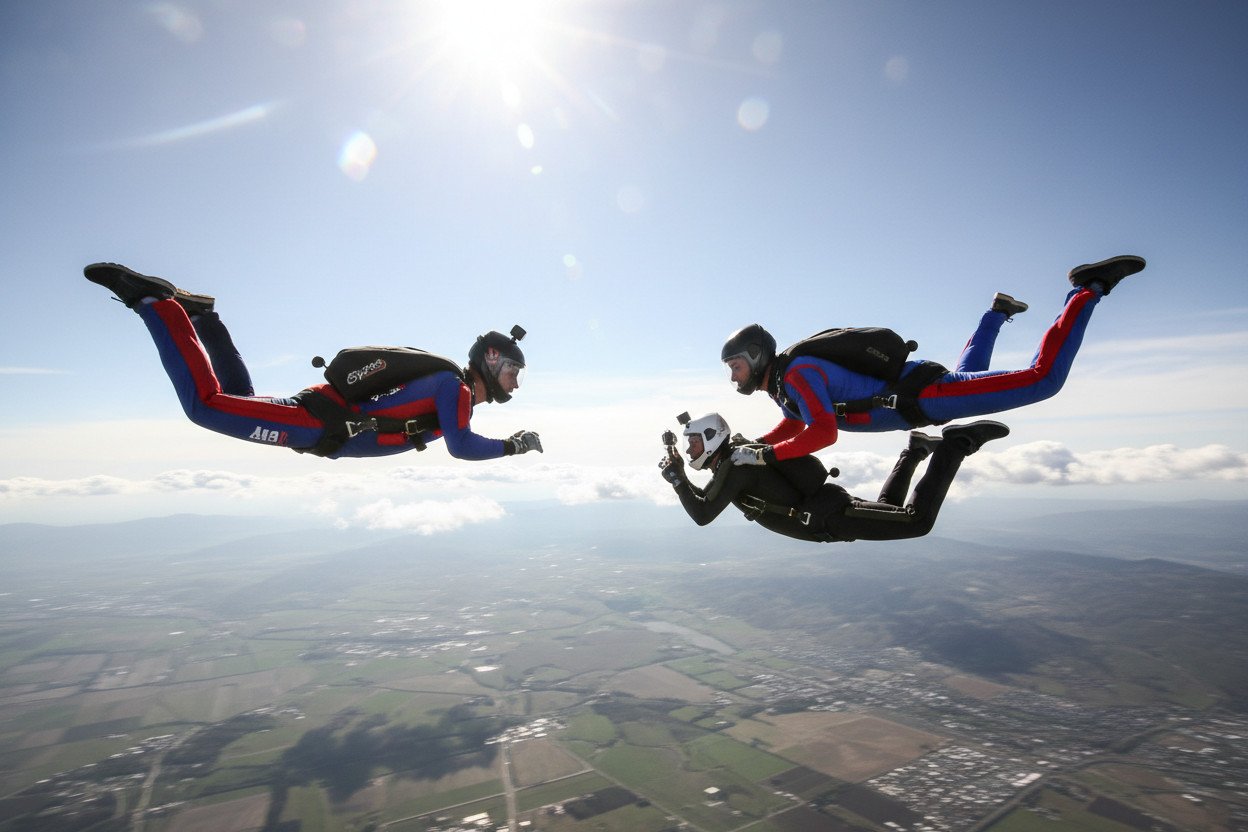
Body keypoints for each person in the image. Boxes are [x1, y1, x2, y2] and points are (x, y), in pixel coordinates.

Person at [84, 262, 543, 460]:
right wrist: (513, 446)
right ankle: (155, 301)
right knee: (205, 405)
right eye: (512, 371)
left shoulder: (451, 391)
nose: (515, 385)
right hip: (313, 423)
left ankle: (204, 319)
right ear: (491, 358)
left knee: (237, 399)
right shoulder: (455, 389)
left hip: (314, 424)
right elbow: (461, 446)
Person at [721, 254, 1144, 465]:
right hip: (922, 397)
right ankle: (996, 312)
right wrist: (757, 444)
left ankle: (1087, 288)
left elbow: (824, 433)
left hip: (926, 396)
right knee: (969, 378)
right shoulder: (785, 390)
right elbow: (797, 423)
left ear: (756, 357)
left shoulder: (797, 375)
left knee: (1043, 379)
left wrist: (763, 457)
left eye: (735, 365)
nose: (733, 375)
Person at [658, 413, 1009, 543]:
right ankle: (915, 450)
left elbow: (703, 514)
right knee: (889, 508)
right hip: (827, 509)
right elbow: (706, 498)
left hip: (830, 517)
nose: (689, 451)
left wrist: (676, 480)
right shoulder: (735, 460)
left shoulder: (734, 467)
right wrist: (680, 478)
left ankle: (956, 445)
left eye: (692, 442)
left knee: (916, 522)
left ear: (710, 438)